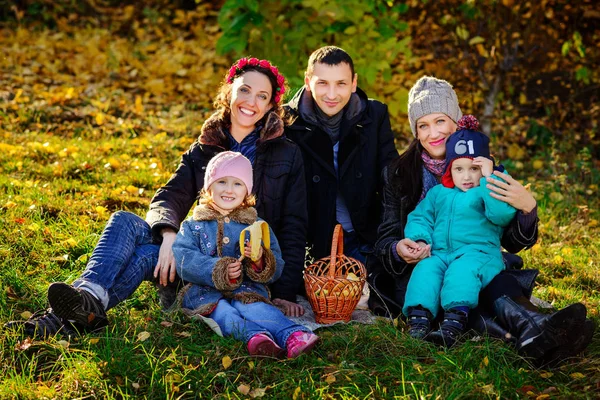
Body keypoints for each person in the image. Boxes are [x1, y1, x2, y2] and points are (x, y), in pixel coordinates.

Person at [6, 57, 308, 338]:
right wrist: (168, 236)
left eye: (262, 96)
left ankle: (62, 318)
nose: (250, 102)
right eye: (244, 90)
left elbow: (294, 224)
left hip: (237, 270)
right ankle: (88, 299)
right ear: (229, 93)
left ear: (271, 106)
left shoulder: (285, 153)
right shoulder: (205, 148)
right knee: (124, 220)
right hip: (195, 253)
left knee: (143, 256)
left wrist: (284, 290)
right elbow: (169, 196)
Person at [371, 75, 595, 366]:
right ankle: (530, 334)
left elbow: (511, 241)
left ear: (456, 121)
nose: (432, 133)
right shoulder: (399, 173)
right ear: (415, 130)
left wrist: (528, 209)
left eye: (440, 121)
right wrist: (399, 248)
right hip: (425, 268)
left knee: (481, 275)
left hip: (475, 259)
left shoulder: (484, 168)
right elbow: (386, 236)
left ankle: (536, 327)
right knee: (455, 284)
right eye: (422, 125)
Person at [282, 46, 399, 316]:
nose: (332, 95)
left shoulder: (375, 115)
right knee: (335, 292)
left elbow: (391, 178)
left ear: (354, 82)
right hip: (316, 240)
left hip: (364, 231)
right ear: (307, 80)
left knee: (387, 294)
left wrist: (390, 236)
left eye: (341, 84)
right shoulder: (288, 122)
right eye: (322, 83)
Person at [173, 151, 318, 358]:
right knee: (223, 312)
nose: (229, 190)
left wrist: (259, 260)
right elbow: (183, 257)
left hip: (247, 289)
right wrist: (217, 268)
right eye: (222, 182)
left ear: (247, 191)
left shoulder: (256, 225)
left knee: (256, 308)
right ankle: (256, 338)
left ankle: (293, 334)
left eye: (237, 184)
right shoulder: (194, 225)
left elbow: (276, 264)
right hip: (205, 292)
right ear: (208, 187)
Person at [402, 115, 517, 347]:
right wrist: (420, 238)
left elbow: (501, 215)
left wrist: (489, 178)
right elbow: (420, 217)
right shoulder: (439, 194)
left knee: (462, 272)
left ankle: (453, 323)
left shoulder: (489, 188)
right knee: (426, 270)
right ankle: (419, 320)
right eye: (459, 169)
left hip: (478, 253)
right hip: (441, 252)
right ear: (449, 170)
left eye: (474, 169)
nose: (466, 176)